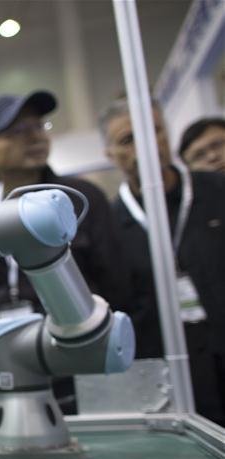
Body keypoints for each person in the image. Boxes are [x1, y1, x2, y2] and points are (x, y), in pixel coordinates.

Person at [0, 90, 121, 419]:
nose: (35, 137)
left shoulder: (81, 199)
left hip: (71, 358)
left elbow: (114, 277)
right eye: (17, 132)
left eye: (39, 127)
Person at [100, 98, 225, 424]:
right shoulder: (111, 226)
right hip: (167, 377)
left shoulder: (216, 191)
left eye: (153, 130)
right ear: (110, 155)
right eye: (128, 139)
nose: (146, 144)